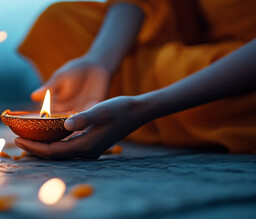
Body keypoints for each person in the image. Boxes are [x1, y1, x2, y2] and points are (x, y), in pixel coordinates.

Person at [14, 0, 256, 159]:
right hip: (194, 43)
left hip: (238, 69)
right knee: (58, 22)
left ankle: (140, 110)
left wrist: (145, 107)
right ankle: (117, 107)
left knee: (172, 71)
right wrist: (100, 61)